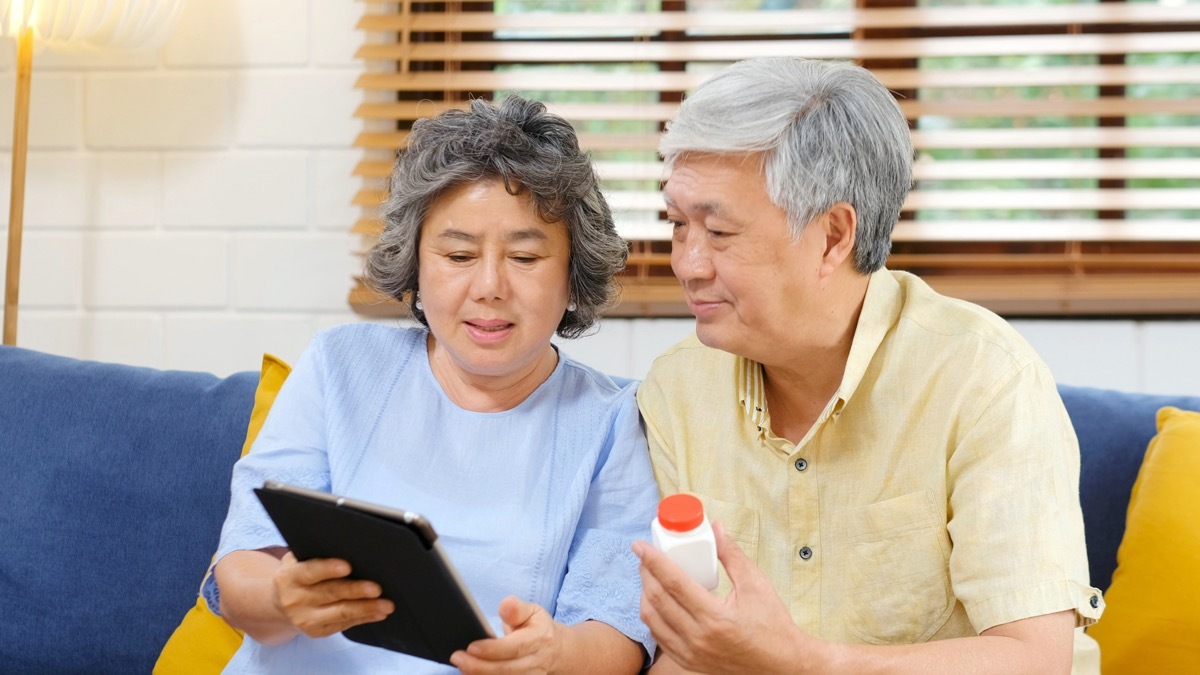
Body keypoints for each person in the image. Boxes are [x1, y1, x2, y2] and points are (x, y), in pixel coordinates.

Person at [631, 57, 1105, 674]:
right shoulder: (678, 388)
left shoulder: (984, 379)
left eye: (719, 233)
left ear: (833, 236)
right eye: (676, 225)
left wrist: (806, 662)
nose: (688, 265)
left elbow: (1034, 660)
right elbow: (686, 652)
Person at [204, 95, 658, 674]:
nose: (490, 286)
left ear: (572, 273)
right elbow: (242, 569)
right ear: (417, 264)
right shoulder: (339, 366)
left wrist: (555, 656)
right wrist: (280, 597)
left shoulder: (611, 420)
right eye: (459, 253)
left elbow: (615, 636)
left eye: (524, 256)